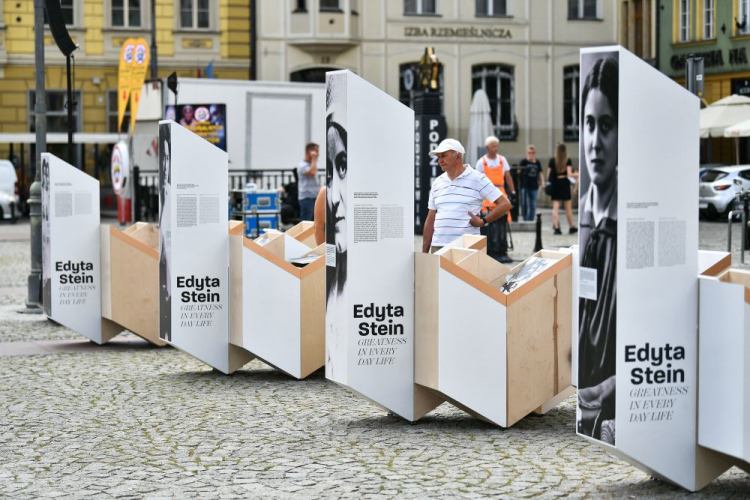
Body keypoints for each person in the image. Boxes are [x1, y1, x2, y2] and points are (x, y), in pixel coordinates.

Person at [577, 54, 619, 446]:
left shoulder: (624, 223)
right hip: (586, 396)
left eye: (605, 125)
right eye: (589, 124)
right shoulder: (586, 213)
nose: (594, 142)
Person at [422, 138, 511, 253]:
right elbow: (430, 219)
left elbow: (505, 204)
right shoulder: (437, 182)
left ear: (458, 156)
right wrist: (424, 253)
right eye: (438, 157)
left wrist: (483, 221)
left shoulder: (477, 178)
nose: (440, 160)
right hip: (439, 246)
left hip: (467, 246)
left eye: (444, 155)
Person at [475, 135, 515, 263]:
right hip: (487, 199)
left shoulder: (502, 160)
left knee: (502, 226)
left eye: (497, 146)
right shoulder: (481, 162)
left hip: (501, 196)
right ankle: (490, 248)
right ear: (487, 147)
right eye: (493, 146)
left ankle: (501, 248)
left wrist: (513, 191)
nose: (496, 148)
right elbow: (477, 180)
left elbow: (508, 176)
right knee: (489, 226)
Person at [547, 143, 578, 234]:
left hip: (555, 184)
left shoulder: (552, 161)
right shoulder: (567, 160)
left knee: (555, 207)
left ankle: (556, 228)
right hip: (564, 184)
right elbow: (569, 174)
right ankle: (571, 227)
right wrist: (577, 174)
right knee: (568, 207)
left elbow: (549, 175)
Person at [518, 145, 544, 221]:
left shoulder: (537, 162)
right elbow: (518, 172)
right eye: (529, 153)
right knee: (524, 203)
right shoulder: (524, 162)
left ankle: (531, 218)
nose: (531, 154)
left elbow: (541, 172)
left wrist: (542, 182)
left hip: (534, 186)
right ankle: (525, 218)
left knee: (533, 204)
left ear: (535, 153)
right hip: (525, 186)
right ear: (527, 153)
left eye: (532, 153)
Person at [297, 142, 320, 221]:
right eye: (316, 152)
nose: (318, 154)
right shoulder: (302, 165)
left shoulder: (312, 164)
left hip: (314, 197)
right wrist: (314, 159)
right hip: (307, 198)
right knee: (306, 222)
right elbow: (312, 173)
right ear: (309, 151)